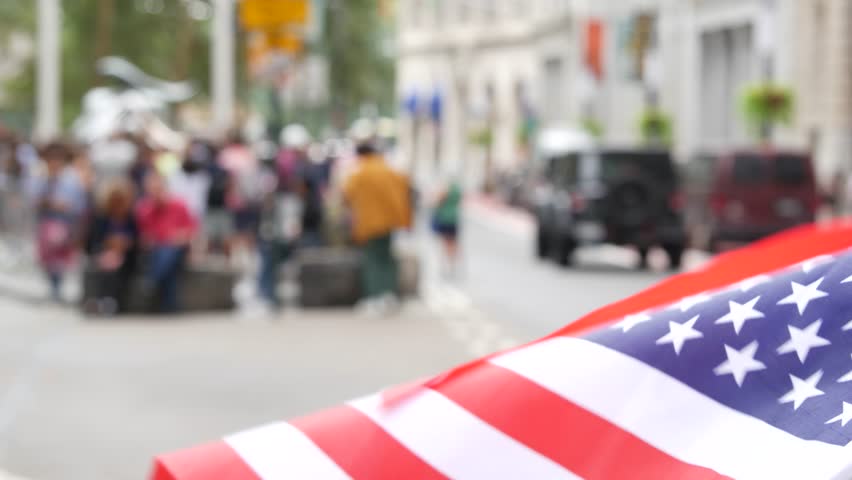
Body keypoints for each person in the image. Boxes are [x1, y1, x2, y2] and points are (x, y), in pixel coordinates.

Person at [343, 142, 412, 313]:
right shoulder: (389, 169)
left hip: (369, 223)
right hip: (389, 222)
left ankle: (374, 297)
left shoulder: (361, 172)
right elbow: (404, 190)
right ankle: (388, 295)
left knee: (372, 261)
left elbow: (347, 192)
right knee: (386, 258)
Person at [29, 142, 87, 301]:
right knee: (47, 256)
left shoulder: (71, 178)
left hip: (64, 221)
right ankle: (53, 285)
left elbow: (78, 202)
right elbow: (33, 197)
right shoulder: (41, 176)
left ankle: (57, 285)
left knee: (60, 255)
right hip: (45, 219)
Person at [136, 171, 198, 313]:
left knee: (169, 251)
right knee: (165, 256)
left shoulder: (179, 205)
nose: (156, 194)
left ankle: (153, 280)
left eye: (158, 189)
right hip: (156, 250)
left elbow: (190, 230)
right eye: (152, 190)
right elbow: (143, 235)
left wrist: (180, 237)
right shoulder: (144, 208)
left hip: (177, 249)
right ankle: (170, 304)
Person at [84, 178, 139, 315]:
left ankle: (111, 301)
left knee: (114, 267)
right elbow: (93, 241)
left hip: (126, 258)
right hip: (104, 255)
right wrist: (107, 245)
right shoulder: (102, 218)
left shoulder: (131, 218)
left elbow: (138, 240)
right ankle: (102, 300)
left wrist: (125, 244)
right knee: (107, 265)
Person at [432, 179, 463, 278]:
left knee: (445, 242)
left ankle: (446, 263)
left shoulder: (445, 192)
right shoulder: (457, 192)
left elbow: (438, 203)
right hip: (454, 219)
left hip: (445, 219)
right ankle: (452, 262)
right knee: (453, 242)